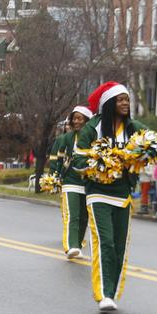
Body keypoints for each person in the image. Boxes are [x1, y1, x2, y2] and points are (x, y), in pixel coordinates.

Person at [71, 82, 150, 312]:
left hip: (123, 195)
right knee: (104, 241)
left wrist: (145, 150)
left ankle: (112, 293)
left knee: (119, 246)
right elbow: (78, 160)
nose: (125, 103)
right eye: (120, 100)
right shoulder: (93, 128)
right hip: (97, 194)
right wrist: (100, 163)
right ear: (109, 104)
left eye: (127, 99)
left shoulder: (133, 127)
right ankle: (104, 293)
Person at [48, 105, 92, 258]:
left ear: (87, 121)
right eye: (74, 118)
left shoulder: (95, 138)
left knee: (84, 217)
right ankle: (70, 246)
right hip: (70, 182)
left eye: (80, 119)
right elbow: (57, 159)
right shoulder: (66, 138)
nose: (77, 121)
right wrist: (54, 176)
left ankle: (78, 245)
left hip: (88, 183)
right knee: (72, 215)